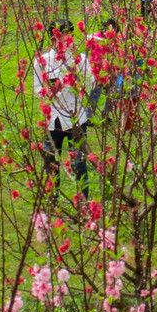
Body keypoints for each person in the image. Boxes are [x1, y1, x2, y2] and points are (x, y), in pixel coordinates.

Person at [32, 19, 95, 193]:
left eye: (69, 35)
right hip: (53, 119)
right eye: (63, 36)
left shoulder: (78, 59)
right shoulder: (42, 61)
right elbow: (37, 88)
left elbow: (91, 82)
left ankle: (84, 204)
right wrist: (50, 93)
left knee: (79, 164)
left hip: (76, 117)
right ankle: (53, 203)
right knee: (51, 163)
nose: (67, 40)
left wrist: (77, 60)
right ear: (53, 39)